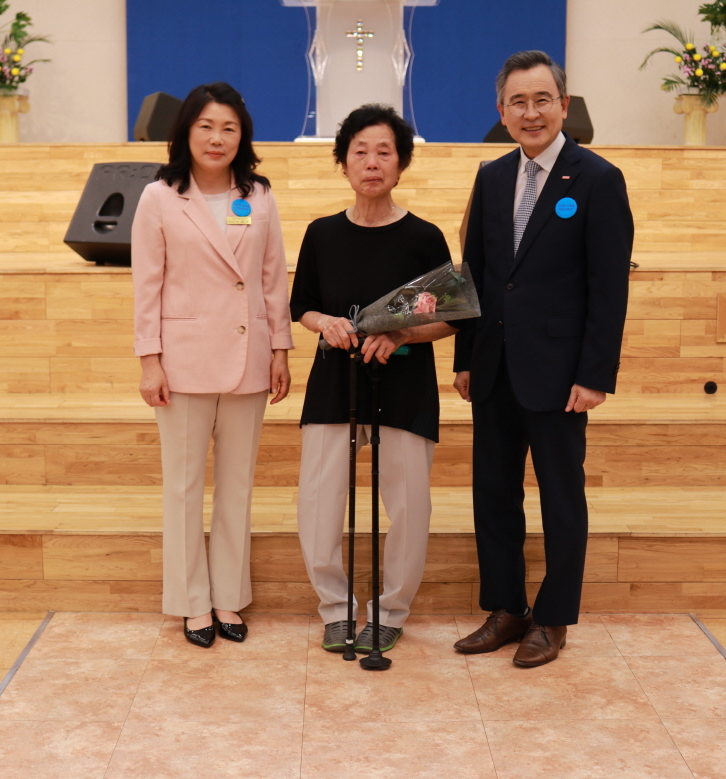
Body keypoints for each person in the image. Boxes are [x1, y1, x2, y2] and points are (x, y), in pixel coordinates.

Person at [452, 51, 633, 667]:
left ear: (563, 105)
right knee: (494, 494)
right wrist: (466, 357)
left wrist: (595, 374)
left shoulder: (597, 178)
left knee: (560, 498)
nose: (531, 113)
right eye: (518, 103)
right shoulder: (492, 177)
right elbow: (475, 276)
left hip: (560, 374)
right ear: (501, 111)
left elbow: (609, 287)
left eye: (541, 100)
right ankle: (506, 608)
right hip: (494, 366)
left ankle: (553, 619)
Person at [131, 82, 294, 648]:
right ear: (186, 132)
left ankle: (227, 596)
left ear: (242, 135)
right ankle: (191, 603)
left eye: (229, 127)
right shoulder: (159, 197)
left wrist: (280, 349)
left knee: (237, 486)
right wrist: (149, 360)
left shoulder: (259, 194)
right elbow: (146, 285)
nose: (217, 138)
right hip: (182, 361)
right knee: (183, 487)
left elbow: (272, 277)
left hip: (250, 356)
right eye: (206, 126)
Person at [291, 104, 457, 655]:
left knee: (408, 506)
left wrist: (403, 333)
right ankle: (335, 609)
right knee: (319, 503)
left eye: (384, 151)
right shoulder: (321, 234)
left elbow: (452, 317)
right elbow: (302, 306)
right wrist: (325, 322)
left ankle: (390, 612)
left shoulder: (424, 237)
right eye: (360, 151)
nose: (371, 162)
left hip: (403, 384)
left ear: (401, 163)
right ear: (343, 162)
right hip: (334, 380)